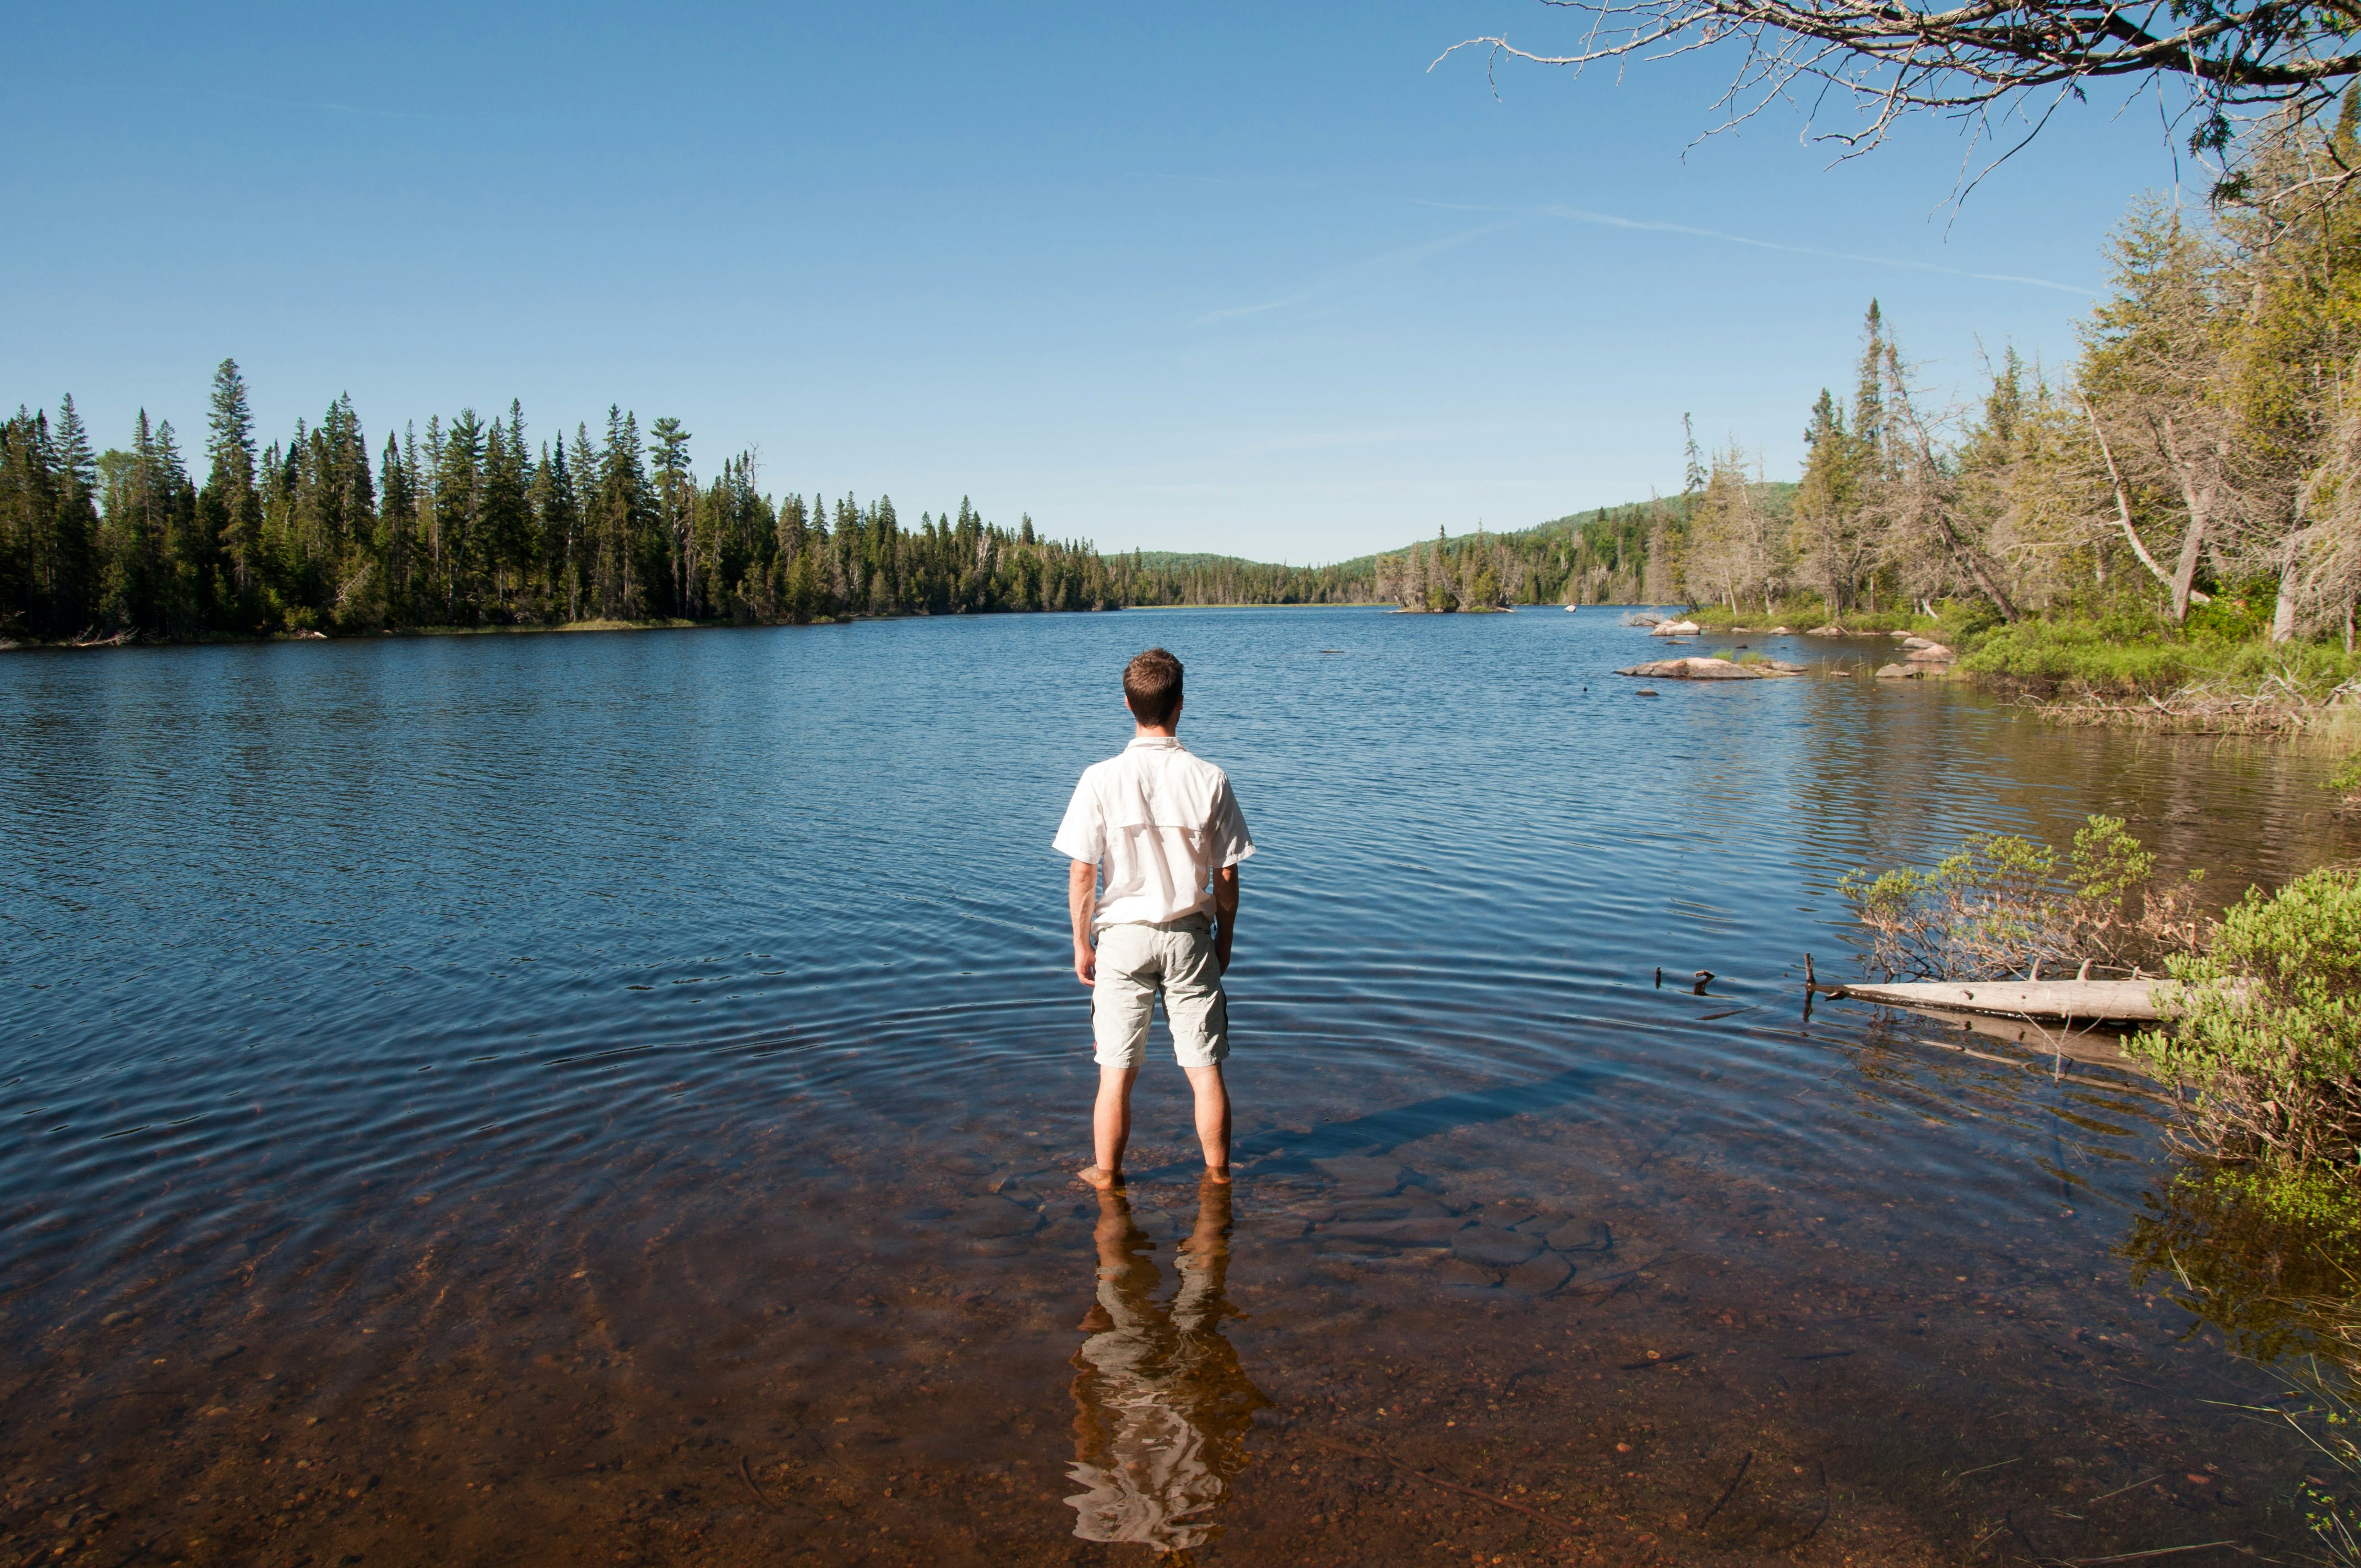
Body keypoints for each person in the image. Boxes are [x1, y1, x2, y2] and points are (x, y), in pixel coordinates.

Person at [1052, 647, 1254, 1189]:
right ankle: (1217, 1182)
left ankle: (1106, 1177)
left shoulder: (1099, 778)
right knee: (1204, 1069)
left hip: (1122, 939)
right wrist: (1225, 939)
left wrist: (1081, 943)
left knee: (1115, 1075)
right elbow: (1227, 877)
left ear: (1127, 705)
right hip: (1189, 936)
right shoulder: (1210, 778)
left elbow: (1081, 872)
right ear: (1180, 706)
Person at [1064, 1177, 1265, 1551]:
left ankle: (1109, 1187)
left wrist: (1082, 1375)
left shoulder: (1192, 1513)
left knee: (1170, 1285)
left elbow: (1089, 1439)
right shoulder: (1196, 1507)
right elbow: (1088, 1442)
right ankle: (1217, 1177)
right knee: (1141, 1278)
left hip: (1174, 1386)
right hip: (1152, 1385)